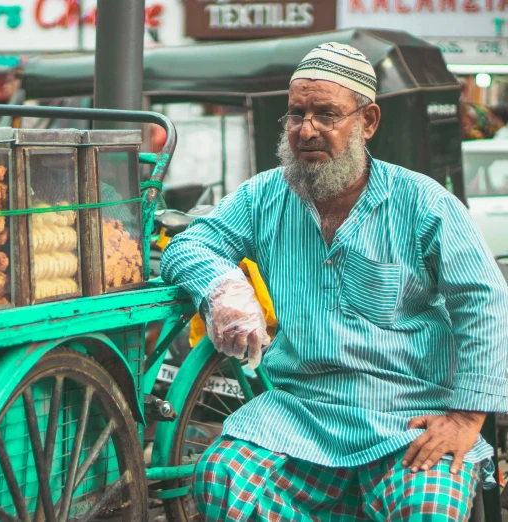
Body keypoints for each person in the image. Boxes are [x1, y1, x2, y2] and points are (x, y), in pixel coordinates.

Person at [161, 42, 508, 520]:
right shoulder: (266, 195)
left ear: (367, 122)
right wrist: (223, 287)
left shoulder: (423, 202)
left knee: (430, 506)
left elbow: (485, 301)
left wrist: (467, 419)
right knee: (222, 476)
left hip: (407, 418)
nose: (307, 130)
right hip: (300, 414)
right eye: (296, 114)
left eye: (327, 115)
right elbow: (189, 245)